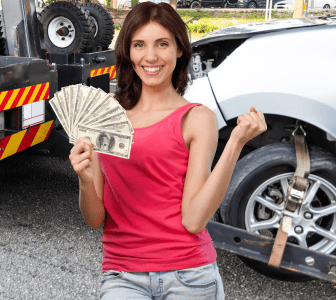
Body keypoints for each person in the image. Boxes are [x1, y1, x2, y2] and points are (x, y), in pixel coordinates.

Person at [69, 2, 267, 299]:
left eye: (162, 44)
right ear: (128, 52)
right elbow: (95, 219)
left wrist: (236, 142)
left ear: (179, 50)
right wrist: (84, 180)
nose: (150, 57)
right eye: (139, 45)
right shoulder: (105, 117)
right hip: (123, 274)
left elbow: (194, 220)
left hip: (190, 275)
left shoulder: (197, 119)